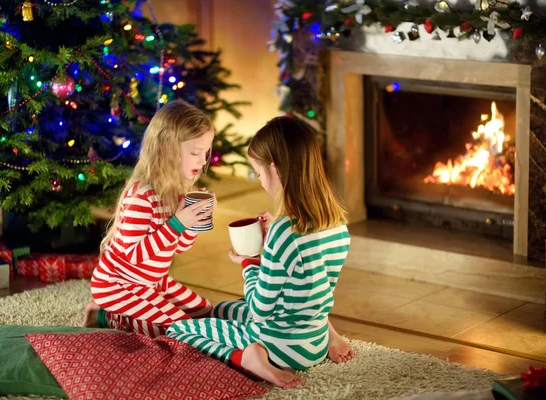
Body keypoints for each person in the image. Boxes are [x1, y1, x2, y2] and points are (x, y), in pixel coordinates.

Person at [166, 116, 354, 388]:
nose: (259, 180)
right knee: (220, 310)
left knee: (179, 328)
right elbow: (310, 290)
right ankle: (329, 334)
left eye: (257, 172)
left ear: (275, 170)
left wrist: (250, 263)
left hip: (279, 345)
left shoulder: (283, 232)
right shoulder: (337, 225)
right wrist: (273, 253)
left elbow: (259, 310)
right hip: (314, 339)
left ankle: (250, 358)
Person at [82, 101, 215, 337]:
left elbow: (180, 248)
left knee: (205, 310)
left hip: (152, 279)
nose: (203, 160)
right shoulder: (141, 196)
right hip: (118, 285)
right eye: (195, 153)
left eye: (206, 152)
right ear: (167, 150)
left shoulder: (175, 193)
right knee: (184, 328)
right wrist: (177, 224)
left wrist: (192, 223)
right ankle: (106, 315)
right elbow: (133, 255)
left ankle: (110, 315)